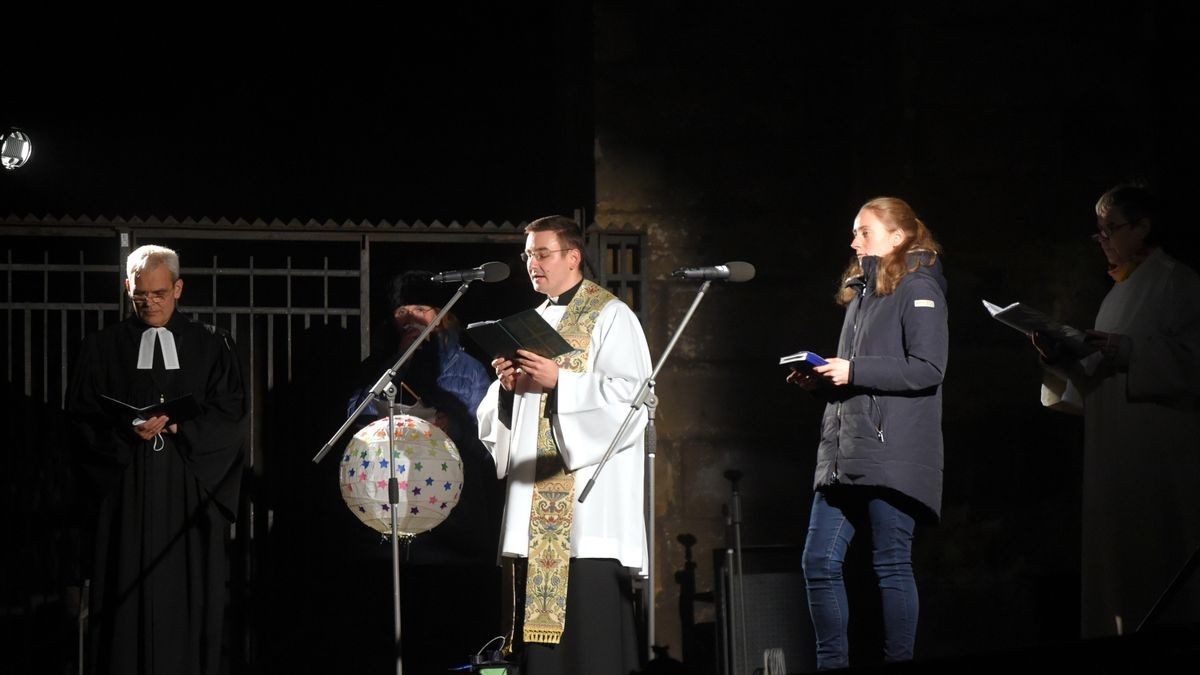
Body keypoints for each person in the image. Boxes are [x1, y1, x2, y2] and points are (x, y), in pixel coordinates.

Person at [476, 215, 652, 675]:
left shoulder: (612, 316)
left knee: (591, 644)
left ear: (573, 257)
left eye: (542, 253)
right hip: (534, 504)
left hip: (586, 510)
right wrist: (509, 390)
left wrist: (562, 383)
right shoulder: (530, 321)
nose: (532, 263)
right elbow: (500, 420)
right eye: (528, 254)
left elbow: (633, 402)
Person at [66, 245, 247, 675]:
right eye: (140, 295)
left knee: (185, 594)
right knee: (121, 590)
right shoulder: (101, 347)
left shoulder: (211, 346)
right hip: (124, 491)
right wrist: (123, 432)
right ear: (128, 288)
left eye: (160, 293)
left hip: (186, 491)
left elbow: (230, 413)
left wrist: (182, 427)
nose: (150, 303)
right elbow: (80, 420)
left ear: (179, 288)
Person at [788, 197, 948, 669]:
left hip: (892, 451)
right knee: (818, 562)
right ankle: (831, 664)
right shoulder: (862, 294)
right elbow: (857, 378)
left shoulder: (920, 289)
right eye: (854, 233)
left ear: (897, 237)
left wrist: (853, 370)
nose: (854, 241)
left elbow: (928, 368)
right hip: (845, 450)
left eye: (864, 232)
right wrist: (821, 381)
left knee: (890, 565)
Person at [1035, 184, 1200, 637]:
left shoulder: (1177, 281)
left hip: (1159, 454)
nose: (1103, 238)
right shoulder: (1117, 294)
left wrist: (1128, 352)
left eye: (1112, 227)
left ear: (1144, 226)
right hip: (1113, 453)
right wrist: (1062, 358)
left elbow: (1192, 361)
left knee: (1157, 570)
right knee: (1118, 569)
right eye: (1099, 230)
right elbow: (1102, 375)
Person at [342, 270, 502, 671]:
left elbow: (486, 440)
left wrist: (453, 425)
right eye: (403, 311)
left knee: (447, 635)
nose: (411, 318)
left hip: (451, 530)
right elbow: (353, 420)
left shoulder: (469, 370)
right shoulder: (377, 368)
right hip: (388, 522)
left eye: (421, 309)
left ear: (442, 316)